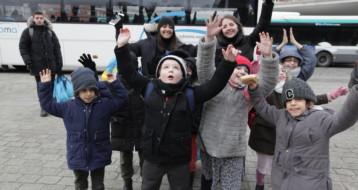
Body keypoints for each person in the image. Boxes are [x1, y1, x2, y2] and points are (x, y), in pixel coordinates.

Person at [115, 27, 238, 190]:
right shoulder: (149, 87)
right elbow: (128, 72)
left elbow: (214, 85)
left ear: (184, 75)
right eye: (166, 67)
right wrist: (122, 47)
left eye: (176, 67)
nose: (171, 69)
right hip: (152, 157)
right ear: (159, 74)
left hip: (179, 159)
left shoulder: (191, 94)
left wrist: (228, 63)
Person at [196, 15, 279, 190]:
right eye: (236, 68)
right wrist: (209, 39)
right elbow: (203, 68)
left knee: (231, 186)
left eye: (244, 70)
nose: (240, 72)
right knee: (207, 178)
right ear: (226, 70)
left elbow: (269, 84)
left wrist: (267, 56)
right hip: (207, 145)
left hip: (233, 151)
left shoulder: (249, 93)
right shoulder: (214, 85)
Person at [248, 64, 349, 190]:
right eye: (289, 101)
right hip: (281, 179)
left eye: (298, 99)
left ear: (309, 103)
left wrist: (354, 94)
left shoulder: (321, 119)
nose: (293, 104)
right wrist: (254, 89)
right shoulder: (281, 115)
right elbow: (261, 105)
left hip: (310, 183)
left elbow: (344, 119)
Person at [38, 68, 128, 190]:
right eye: (84, 90)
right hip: (77, 154)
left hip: (99, 153)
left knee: (98, 184)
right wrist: (45, 85)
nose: (88, 94)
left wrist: (112, 83)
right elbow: (48, 104)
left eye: (92, 89)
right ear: (76, 91)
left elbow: (122, 99)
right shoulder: (68, 107)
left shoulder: (104, 104)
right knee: (80, 183)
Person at [113, 15, 197, 77]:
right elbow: (126, 50)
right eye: (164, 26)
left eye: (170, 27)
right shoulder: (145, 44)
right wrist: (118, 30)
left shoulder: (180, 46)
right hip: (149, 84)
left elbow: (198, 51)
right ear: (159, 28)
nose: (167, 29)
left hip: (173, 86)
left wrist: (209, 38)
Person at [19, 11, 63, 117]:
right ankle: (43, 107)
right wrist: (28, 62)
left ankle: (52, 105)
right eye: (37, 18)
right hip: (37, 65)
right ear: (33, 19)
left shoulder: (50, 32)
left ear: (44, 19)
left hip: (51, 65)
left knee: (52, 86)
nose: (39, 20)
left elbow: (57, 48)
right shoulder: (28, 32)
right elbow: (23, 48)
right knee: (41, 87)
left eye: (41, 18)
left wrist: (59, 64)